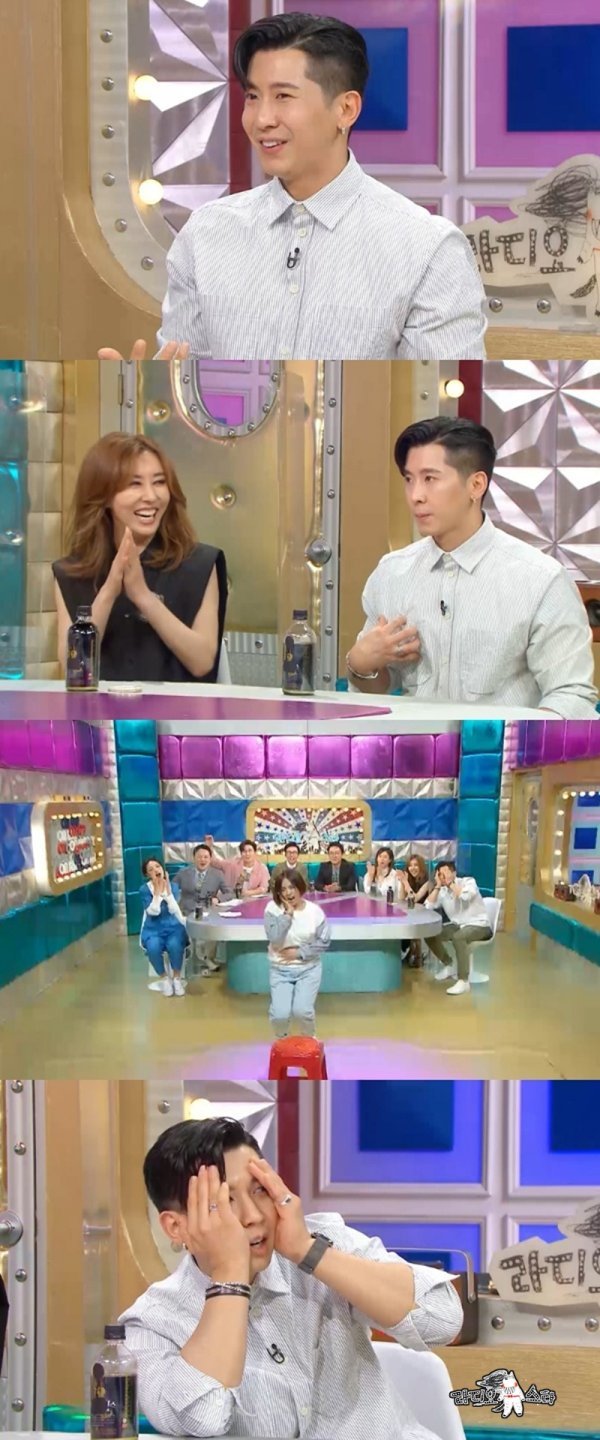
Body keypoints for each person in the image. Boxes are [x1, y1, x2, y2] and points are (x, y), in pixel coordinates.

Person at [99, 15, 485, 363]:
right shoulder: (206, 233)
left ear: (346, 110)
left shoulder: (427, 249)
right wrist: (144, 392)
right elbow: (186, 387)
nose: (262, 119)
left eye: (283, 96)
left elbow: (428, 406)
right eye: (253, 97)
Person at [120, 1117, 463, 1439]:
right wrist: (229, 1275)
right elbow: (202, 1419)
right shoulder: (152, 1323)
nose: (253, 1216)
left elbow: (443, 1319)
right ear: (175, 1226)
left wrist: (308, 1251)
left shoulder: (322, 1241)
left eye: (259, 1190)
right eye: (223, 1202)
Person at [346, 416, 598, 719]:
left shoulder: (540, 580)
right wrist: (361, 665)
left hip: (505, 749)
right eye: (409, 479)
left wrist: (520, 742)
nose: (416, 496)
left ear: (476, 485)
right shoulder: (392, 574)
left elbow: (572, 696)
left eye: (430, 479)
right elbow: (378, 693)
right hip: (414, 748)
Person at [52, 433, 228, 684]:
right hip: (99, 709)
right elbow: (73, 663)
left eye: (159, 482)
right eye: (134, 484)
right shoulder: (71, 572)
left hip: (178, 709)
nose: (151, 496)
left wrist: (143, 597)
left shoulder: (199, 564)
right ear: (104, 496)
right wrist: (109, 591)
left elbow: (202, 662)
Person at [264, 872, 330, 1037]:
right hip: (279, 969)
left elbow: (324, 941)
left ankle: (309, 1042)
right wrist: (287, 915)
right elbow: (274, 938)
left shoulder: (315, 912)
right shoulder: (272, 909)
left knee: (302, 1011)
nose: (288, 892)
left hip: (308, 968)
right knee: (280, 1015)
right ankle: (282, 1042)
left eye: (292, 887)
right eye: (283, 889)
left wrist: (299, 953)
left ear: (300, 887)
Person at [424, 861, 492, 996]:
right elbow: (428, 906)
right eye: (440, 874)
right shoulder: (443, 891)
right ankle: (449, 965)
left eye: (446, 873)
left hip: (480, 925)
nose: (443, 877)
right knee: (430, 932)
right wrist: (438, 886)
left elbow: (465, 896)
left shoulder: (468, 882)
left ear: (454, 873)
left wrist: (451, 883)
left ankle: (463, 981)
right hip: (458, 925)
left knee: (459, 937)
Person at [178, 844, 234, 977]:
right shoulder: (183, 873)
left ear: (210, 858)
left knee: (211, 930)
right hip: (187, 911)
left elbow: (229, 893)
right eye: (199, 857)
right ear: (194, 858)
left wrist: (218, 899)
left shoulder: (217, 874)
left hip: (208, 911)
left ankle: (207, 958)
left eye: (206, 857)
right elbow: (173, 889)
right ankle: (200, 960)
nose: (202, 860)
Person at [140, 858, 188, 998]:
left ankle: (177, 978)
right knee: (153, 947)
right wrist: (156, 893)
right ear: (147, 875)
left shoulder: (173, 886)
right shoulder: (144, 890)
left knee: (175, 945)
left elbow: (174, 909)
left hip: (173, 926)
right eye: (151, 869)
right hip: (153, 928)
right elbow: (153, 911)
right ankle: (165, 978)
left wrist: (168, 893)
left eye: (157, 866)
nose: (155, 870)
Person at [398, 853, 432, 967]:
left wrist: (405, 883)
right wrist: (402, 882)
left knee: (413, 924)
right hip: (412, 911)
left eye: (416, 865)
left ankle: (417, 955)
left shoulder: (428, 882)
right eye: (410, 865)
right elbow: (401, 898)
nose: (412, 868)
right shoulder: (410, 880)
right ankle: (410, 952)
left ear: (421, 866)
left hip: (426, 913)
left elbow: (415, 898)